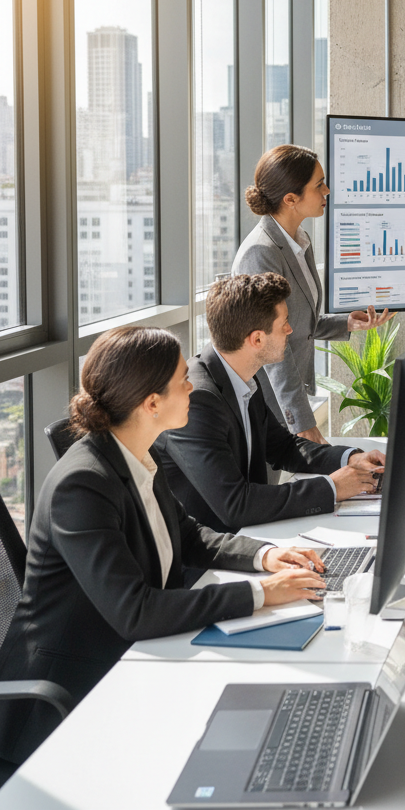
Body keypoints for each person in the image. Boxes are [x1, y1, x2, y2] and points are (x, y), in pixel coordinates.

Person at [0, 327, 330, 765]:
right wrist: (261, 594)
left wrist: (263, 556)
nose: (192, 385)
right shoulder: (81, 485)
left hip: (135, 659)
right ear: (151, 403)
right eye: (182, 381)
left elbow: (189, 535)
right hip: (68, 695)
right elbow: (135, 612)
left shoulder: (136, 454)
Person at [154, 273, 384, 533]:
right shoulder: (197, 400)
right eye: (284, 322)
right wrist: (332, 487)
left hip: (248, 536)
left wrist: (350, 458)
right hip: (210, 559)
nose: (290, 329)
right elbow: (236, 506)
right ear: (257, 340)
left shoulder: (242, 375)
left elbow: (284, 447)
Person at [235, 144, 394, 444]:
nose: (328, 191)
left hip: (283, 404)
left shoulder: (298, 241)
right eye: (319, 185)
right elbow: (271, 349)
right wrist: (303, 421)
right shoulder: (261, 254)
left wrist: (346, 322)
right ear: (291, 199)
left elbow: (295, 320)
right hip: (264, 405)